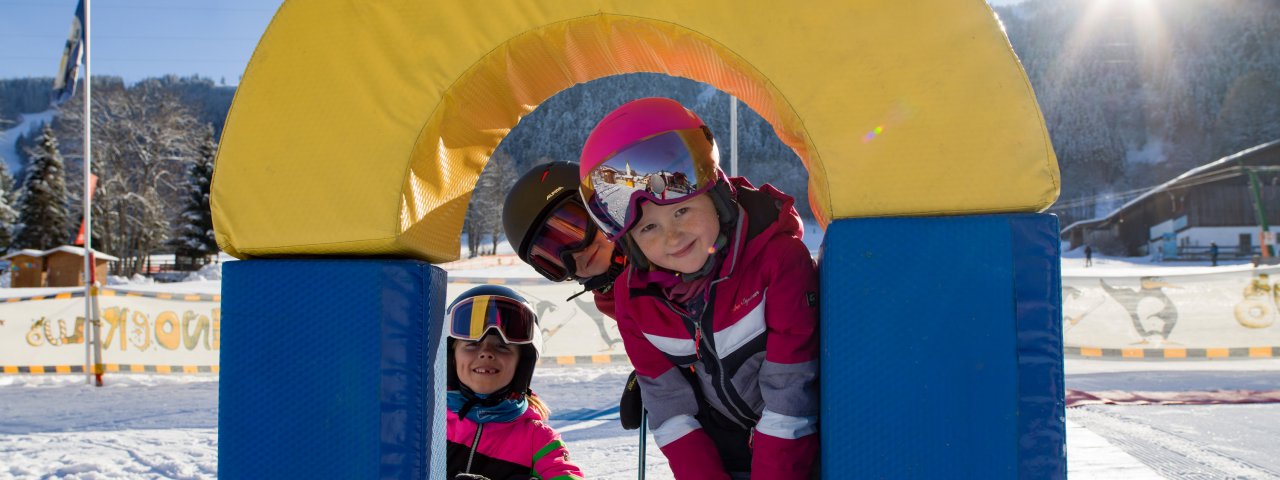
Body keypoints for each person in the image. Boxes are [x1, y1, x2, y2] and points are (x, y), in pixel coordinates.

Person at [579, 97, 820, 479]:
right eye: (649, 228)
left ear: (716, 195)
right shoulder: (634, 301)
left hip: (803, 452)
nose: (672, 236)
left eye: (682, 210)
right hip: (726, 456)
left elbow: (790, 391)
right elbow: (670, 407)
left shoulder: (778, 262)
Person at [446, 285, 585, 480]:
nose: (486, 353)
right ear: (451, 358)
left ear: (522, 364)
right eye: (472, 344)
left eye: (502, 347)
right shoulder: (425, 422)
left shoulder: (539, 440)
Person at [504, 161, 627, 318]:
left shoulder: (662, 247)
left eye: (574, 230)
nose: (576, 256)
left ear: (602, 206)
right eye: (554, 258)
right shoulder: (615, 305)